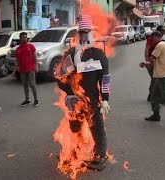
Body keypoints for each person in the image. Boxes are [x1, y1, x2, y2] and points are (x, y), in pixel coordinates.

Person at [55, 13, 110, 168]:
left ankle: (100, 154)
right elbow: (60, 76)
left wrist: (105, 98)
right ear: (78, 34)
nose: (84, 35)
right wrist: (69, 91)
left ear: (91, 33)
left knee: (97, 127)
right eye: (81, 32)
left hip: (92, 99)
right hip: (74, 100)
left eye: (87, 32)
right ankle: (74, 151)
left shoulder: (99, 55)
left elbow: (105, 78)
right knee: (75, 127)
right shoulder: (71, 54)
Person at [13, 32, 39, 106]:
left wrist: (36, 66)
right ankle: (27, 100)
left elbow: (35, 57)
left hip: (30, 69)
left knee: (32, 84)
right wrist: (14, 71)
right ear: (20, 38)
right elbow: (17, 60)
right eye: (24, 37)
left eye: (26, 37)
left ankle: (36, 100)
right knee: (25, 85)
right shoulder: (18, 49)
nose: (25, 38)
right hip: (22, 70)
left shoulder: (31, 46)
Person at [144, 25, 165, 101]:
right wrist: (147, 62)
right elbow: (147, 49)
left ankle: (153, 94)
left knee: (157, 78)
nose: (163, 33)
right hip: (151, 60)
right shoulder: (151, 38)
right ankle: (152, 94)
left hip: (157, 61)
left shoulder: (160, 38)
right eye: (162, 31)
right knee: (155, 78)